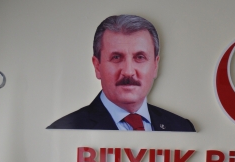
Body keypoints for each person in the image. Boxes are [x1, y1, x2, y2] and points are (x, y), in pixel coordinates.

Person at [47, 15, 195, 132]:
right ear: (97, 66)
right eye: (116, 57)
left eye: (140, 57)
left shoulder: (182, 128)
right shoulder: (63, 130)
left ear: (155, 65)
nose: (128, 72)